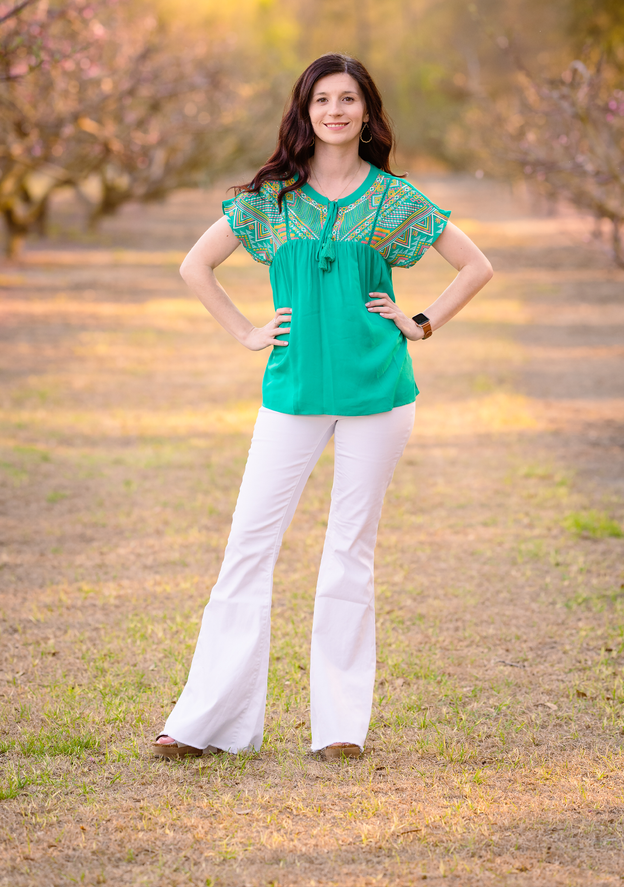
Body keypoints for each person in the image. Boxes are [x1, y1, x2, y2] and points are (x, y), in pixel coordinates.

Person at [153, 53, 492, 761]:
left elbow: (476, 265)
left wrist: (420, 321)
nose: (335, 111)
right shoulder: (272, 198)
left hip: (378, 393)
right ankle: (204, 725)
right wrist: (247, 331)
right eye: (322, 100)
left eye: (348, 99)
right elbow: (195, 265)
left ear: (366, 112)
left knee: (348, 553)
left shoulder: (396, 198)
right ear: (304, 112)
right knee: (248, 547)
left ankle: (340, 728)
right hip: (293, 390)